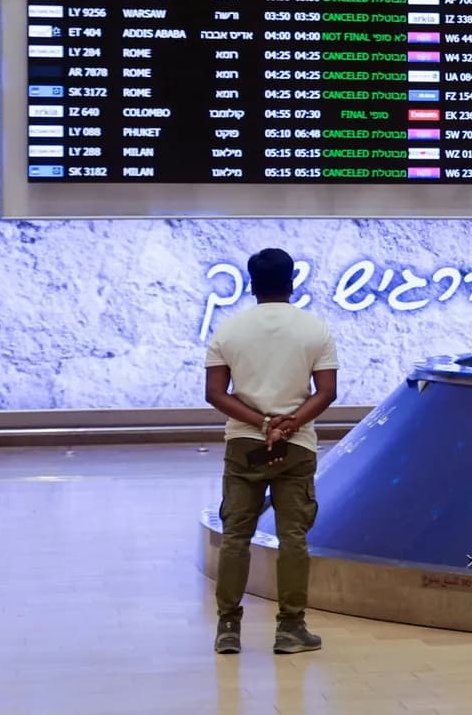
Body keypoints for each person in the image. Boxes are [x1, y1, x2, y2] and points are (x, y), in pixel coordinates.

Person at [205, 248, 338, 655]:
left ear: (252, 283)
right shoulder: (316, 329)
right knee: (293, 537)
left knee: (236, 536)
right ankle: (290, 629)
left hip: (245, 446)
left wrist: (262, 424)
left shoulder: (229, 330)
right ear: (292, 281)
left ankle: (228, 629)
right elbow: (327, 392)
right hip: (295, 447)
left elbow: (214, 393)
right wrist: (288, 424)